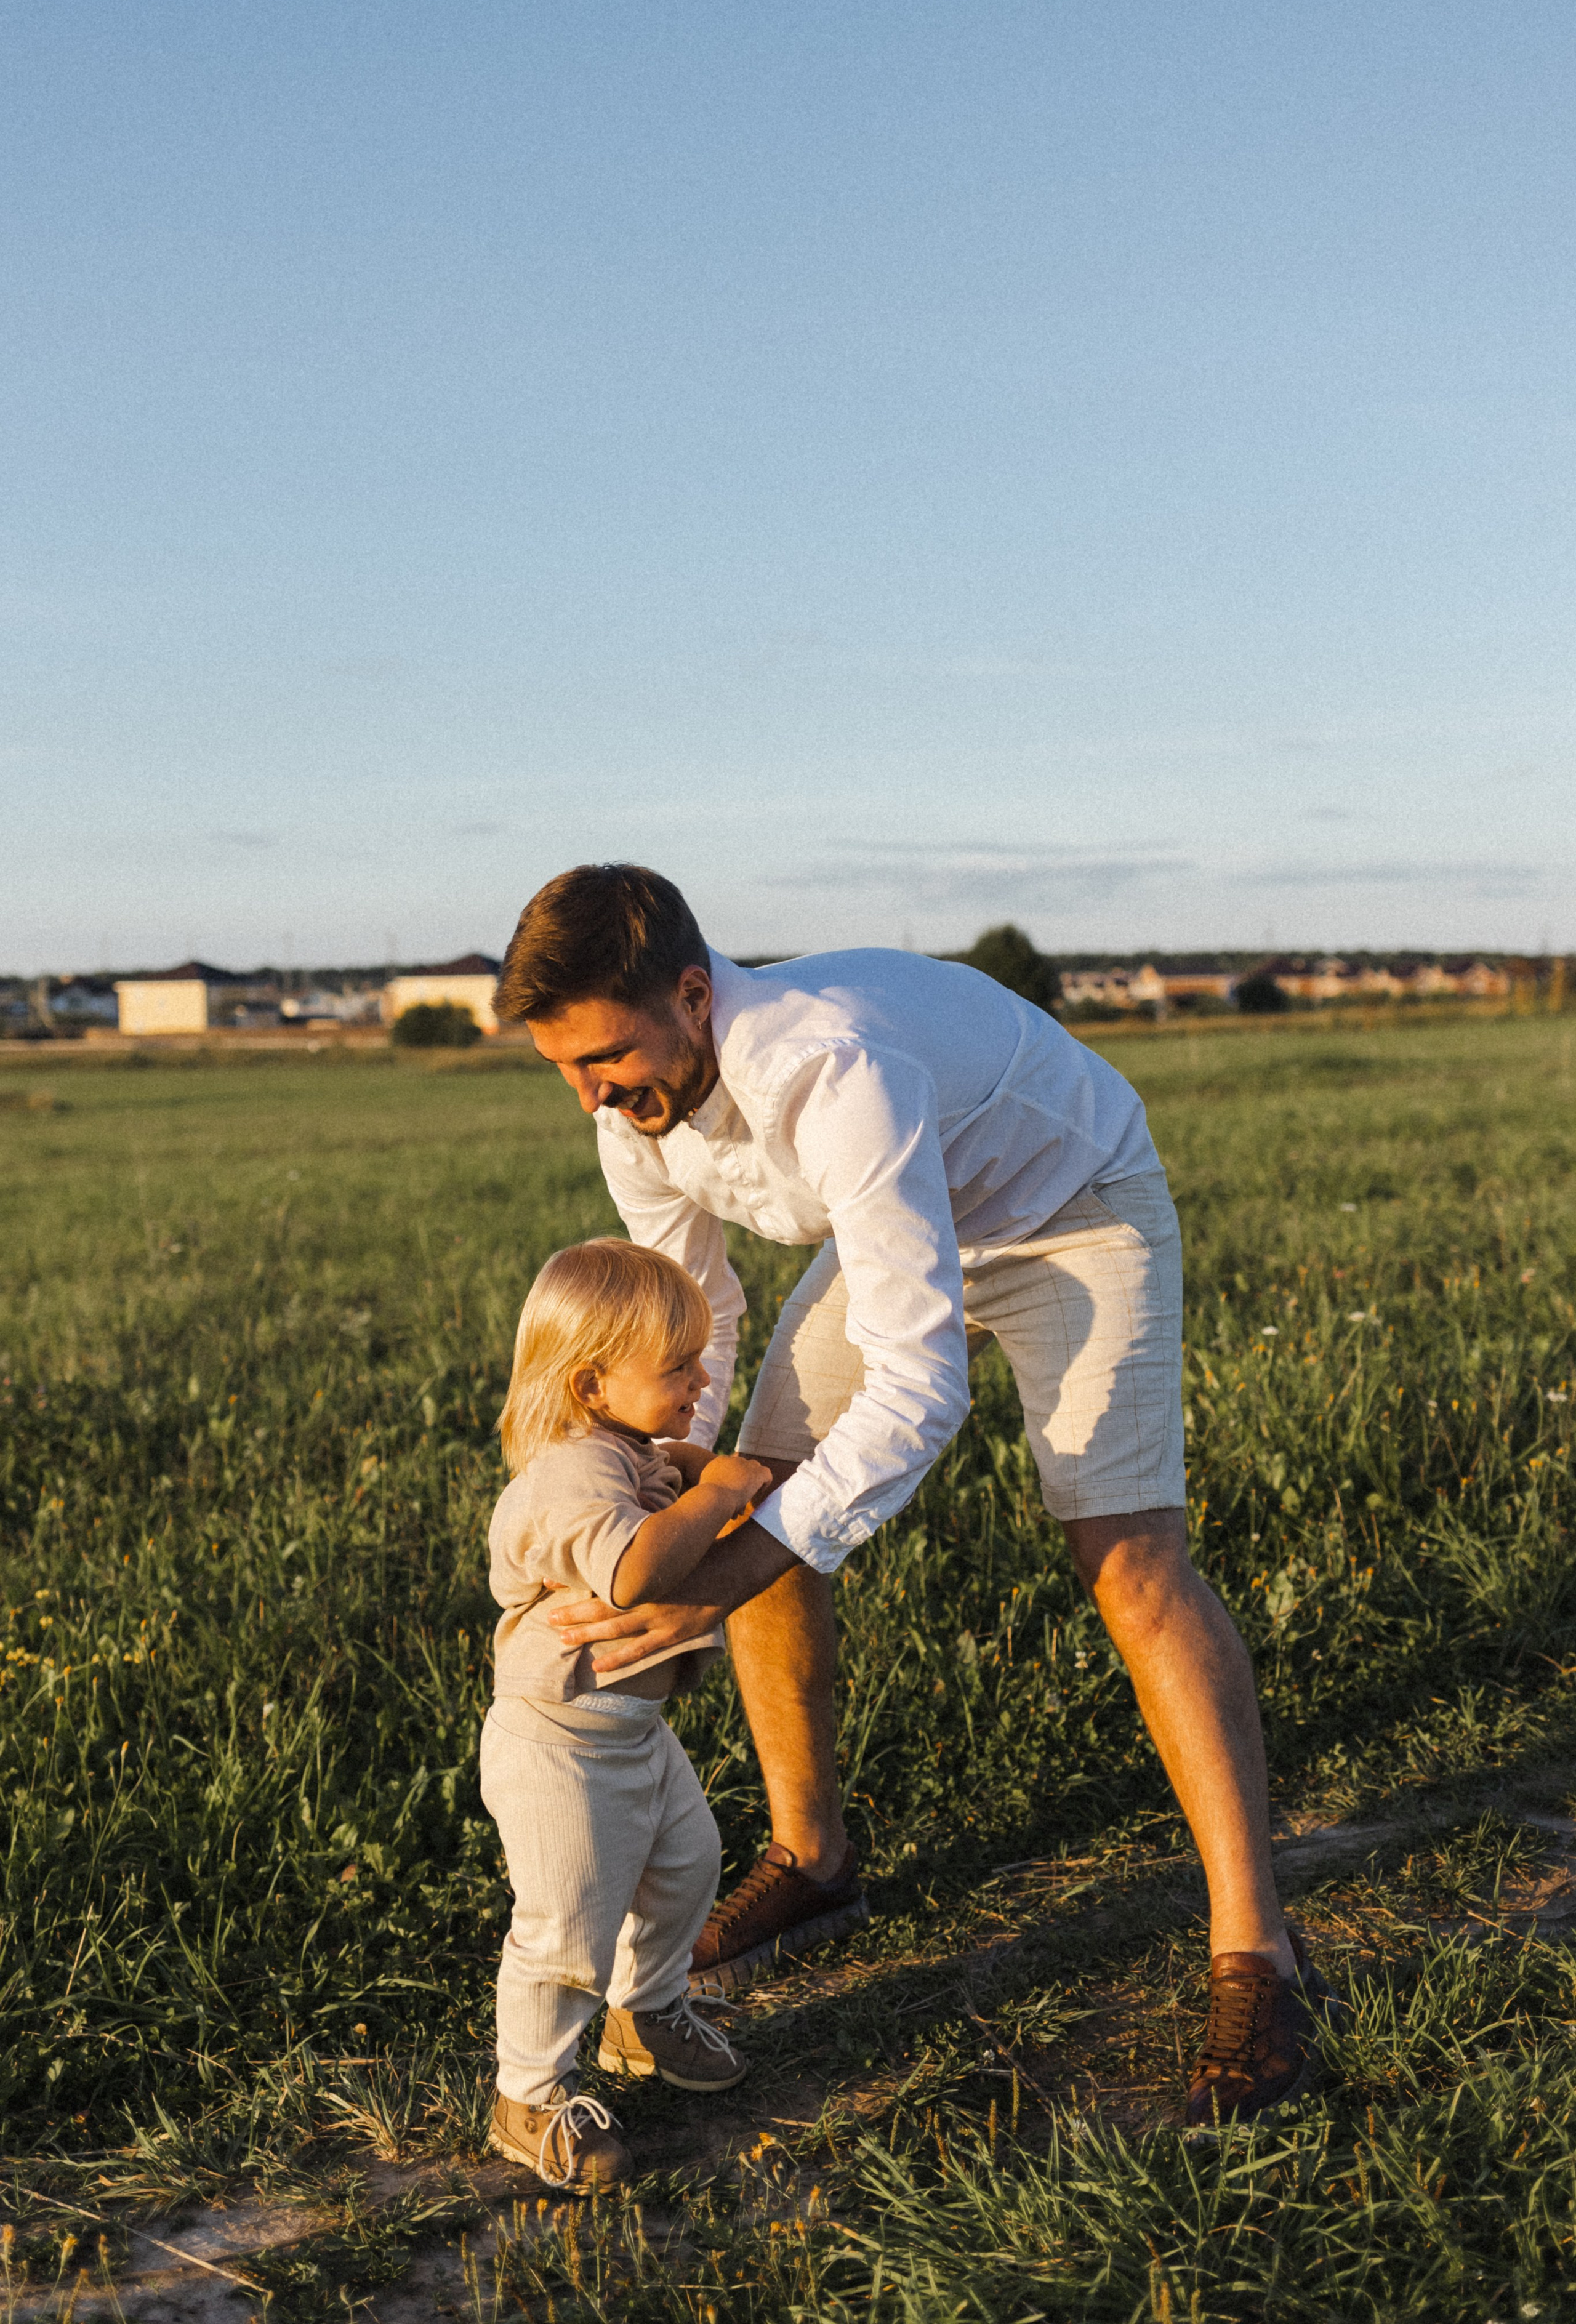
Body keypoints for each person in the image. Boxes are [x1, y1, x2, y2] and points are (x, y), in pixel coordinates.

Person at [497, 866, 1337, 2126]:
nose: (594, 1095)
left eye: (608, 1056)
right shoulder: (631, 1104)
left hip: (1072, 1211)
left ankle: (1256, 1955)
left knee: (1124, 1562)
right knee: (762, 1500)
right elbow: (690, 1330)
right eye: (566, 1068)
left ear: (688, 994)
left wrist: (722, 1579)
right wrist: (676, 1503)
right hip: (910, 1218)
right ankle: (812, 1857)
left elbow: (917, 1389)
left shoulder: (834, 1070)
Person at [481, 1236, 769, 2191]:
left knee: (690, 1867)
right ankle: (527, 2097)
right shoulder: (569, 1477)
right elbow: (639, 1567)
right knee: (564, 1928)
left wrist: (687, 1466)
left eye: (699, 1358)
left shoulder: (622, 1448)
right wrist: (723, 1488)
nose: (701, 1379)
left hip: (633, 1737)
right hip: (558, 1748)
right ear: (592, 1383)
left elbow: (664, 1482)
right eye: (677, 1366)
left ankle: (642, 2015)